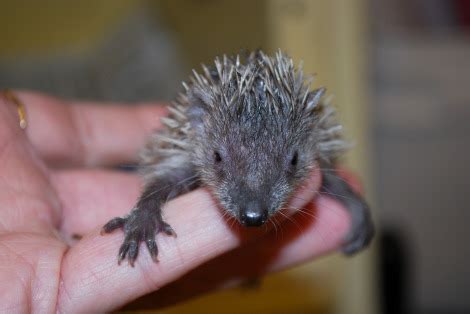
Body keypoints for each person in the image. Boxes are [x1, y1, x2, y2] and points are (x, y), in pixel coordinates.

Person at [0, 90, 353, 312]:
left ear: (309, 135)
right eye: (220, 160)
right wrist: (146, 211)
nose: (253, 208)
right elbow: (165, 180)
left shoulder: (310, 145)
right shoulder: (195, 139)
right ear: (199, 123)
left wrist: (352, 204)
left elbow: (326, 175)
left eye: (290, 163)